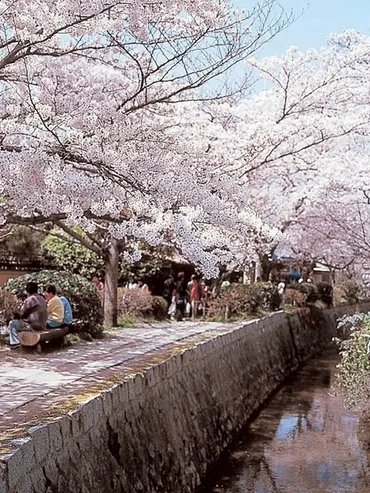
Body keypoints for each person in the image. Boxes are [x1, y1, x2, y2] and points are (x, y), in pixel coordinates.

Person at [8, 282, 47, 348]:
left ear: (27, 291)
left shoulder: (30, 299)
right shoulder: (42, 298)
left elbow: (22, 313)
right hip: (42, 325)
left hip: (33, 326)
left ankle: (15, 343)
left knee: (12, 323)